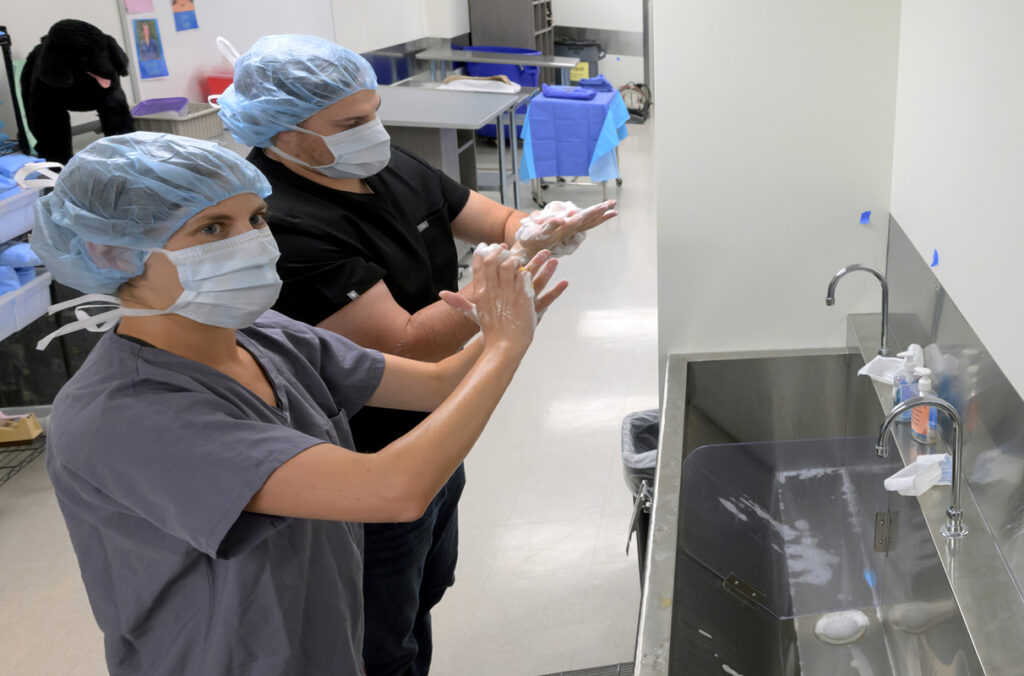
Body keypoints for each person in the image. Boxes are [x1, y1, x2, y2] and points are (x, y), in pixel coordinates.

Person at [30, 132, 565, 675]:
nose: (252, 241)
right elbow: (394, 490)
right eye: (212, 228)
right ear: (116, 253)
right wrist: (503, 346)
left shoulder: (262, 334)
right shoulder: (126, 413)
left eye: (256, 218)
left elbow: (434, 385)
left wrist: (505, 316)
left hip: (323, 640)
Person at [217, 35, 617, 675]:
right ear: (286, 136)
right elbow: (404, 346)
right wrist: (495, 303)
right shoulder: (281, 222)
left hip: (433, 431)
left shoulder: (379, 162)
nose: (372, 130)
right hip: (367, 449)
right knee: (378, 633)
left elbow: (479, 214)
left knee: (422, 590)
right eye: (351, 123)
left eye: (373, 111)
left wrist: (532, 230)